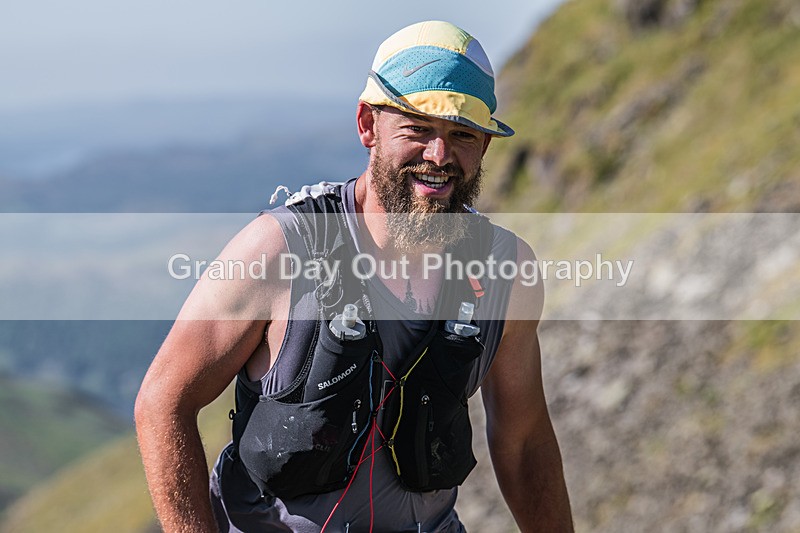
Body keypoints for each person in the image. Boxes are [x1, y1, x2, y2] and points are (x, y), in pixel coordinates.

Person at [135, 20, 573, 533]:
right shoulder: (278, 249)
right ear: (368, 125)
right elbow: (163, 403)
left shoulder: (507, 274)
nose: (439, 156)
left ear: (484, 146)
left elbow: (523, 443)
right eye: (417, 129)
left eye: (462, 135)